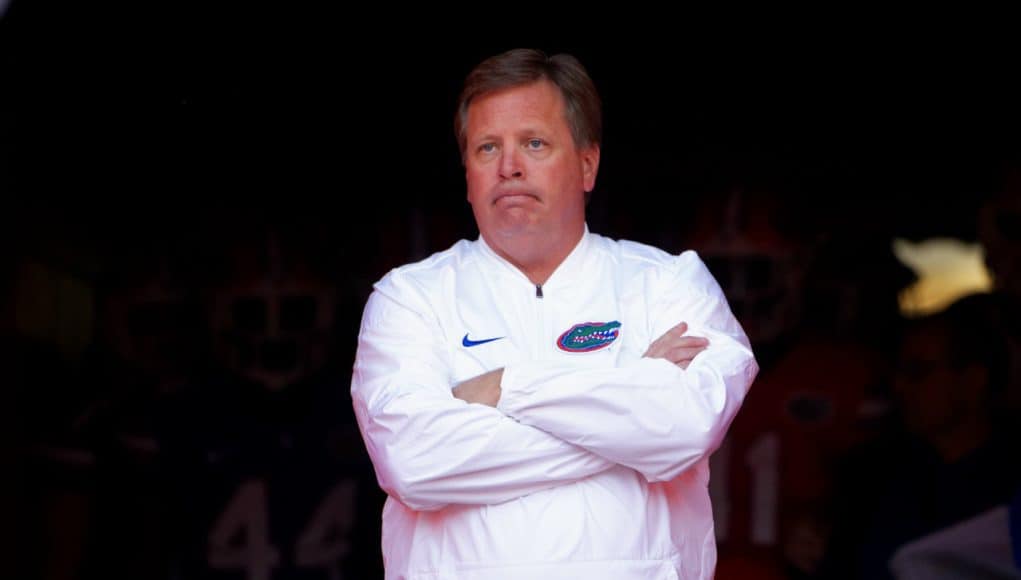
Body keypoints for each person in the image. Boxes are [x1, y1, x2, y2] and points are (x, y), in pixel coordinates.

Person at [350, 48, 758, 579]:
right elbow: (415, 463)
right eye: (487, 147)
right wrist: (631, 394)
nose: (509, 167)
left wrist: (503, 388)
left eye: (534, 143)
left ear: (588, 164)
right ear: (467, 172)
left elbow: (683, 428)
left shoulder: (669, 283)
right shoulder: (410, 299)